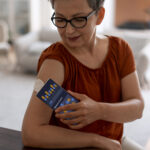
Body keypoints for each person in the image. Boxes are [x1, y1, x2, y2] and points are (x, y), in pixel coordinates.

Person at [22, 0, 144, 149]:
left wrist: (98, 110)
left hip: (115, 144)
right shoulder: (54, 62)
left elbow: (137, 109)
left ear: (100, 15)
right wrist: (95, 140)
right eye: (60, 19)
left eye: (78, 19)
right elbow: (31, 132)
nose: (68, 31)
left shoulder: (120, 50)